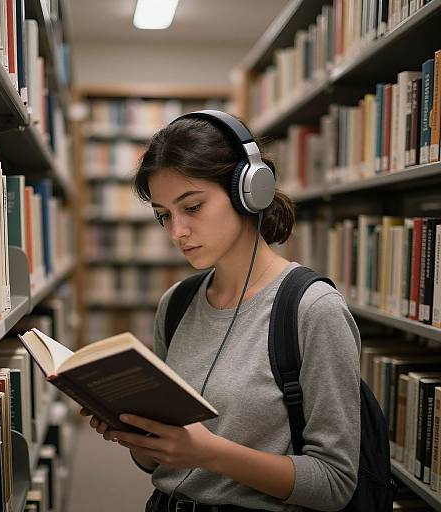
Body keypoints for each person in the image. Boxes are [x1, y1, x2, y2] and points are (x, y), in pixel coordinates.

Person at [81, 111, 361, 512]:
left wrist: (210, 453)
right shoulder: (176, 303)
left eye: (192, 207)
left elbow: (334, 484)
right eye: (164, 215)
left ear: (249, 191)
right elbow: (158, 464)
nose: (176, 232)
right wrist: (135, 435)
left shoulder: (313, 310)